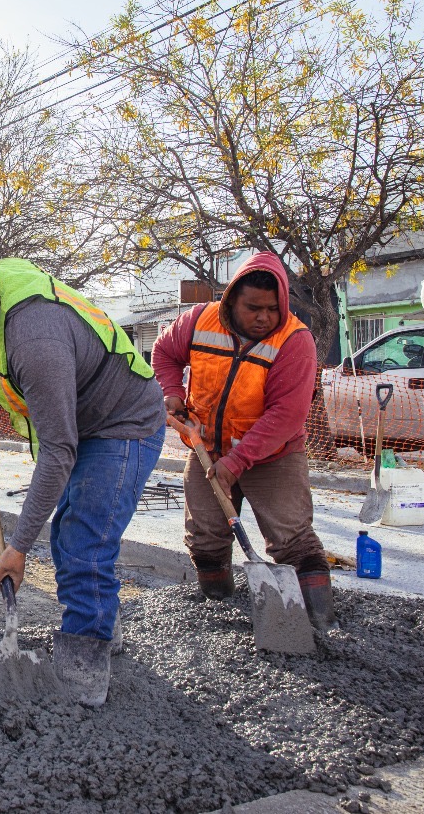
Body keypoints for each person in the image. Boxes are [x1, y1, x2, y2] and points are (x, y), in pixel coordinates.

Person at [0, 240, 165, 706]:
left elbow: (58, 449)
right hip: (86, 420)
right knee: (71, 535)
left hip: (122, 421)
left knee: (84, 541)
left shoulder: (35, 339)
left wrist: (17, 549)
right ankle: (103, 630)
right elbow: (2, 355)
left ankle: (82, 681)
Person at [150, 252, 336, 632]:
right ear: (232, 299)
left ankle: (321, 623)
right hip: (207, 448)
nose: (264, 317)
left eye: (272, 308)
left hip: (273, 455)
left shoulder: (295, 341)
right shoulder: (199, 320)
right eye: (254, 308)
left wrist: (236, 463)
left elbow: (286, 416)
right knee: (204, 538)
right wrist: (171, 392)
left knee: (293, 540)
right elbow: (164, 352)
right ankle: (219, 610)